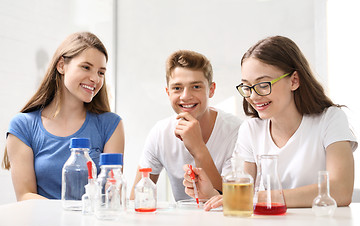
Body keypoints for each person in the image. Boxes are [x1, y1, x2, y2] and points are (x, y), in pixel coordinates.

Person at [183, 35, 358, 210]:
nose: (253, 96)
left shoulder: (330, 119)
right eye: (247, 86)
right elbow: (240, 198)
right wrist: (211, 194)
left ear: (294, 80)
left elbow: (340, 191)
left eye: (263, 84)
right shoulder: (251, 130)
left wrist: (256, 197)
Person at [2, 32, 125, 201]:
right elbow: (25, 196)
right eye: (86, 67)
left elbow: (112, 195)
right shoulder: (23, 126)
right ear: (61, 65)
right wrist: (68, 216)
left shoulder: (110, 125)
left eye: (101, 73)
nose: (95, 79)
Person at [130, 50, 242, 201]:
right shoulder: (160, 133)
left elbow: (234, 199)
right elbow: (136, 199)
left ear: (212, 89)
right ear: (168, 92)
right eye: (177, 88)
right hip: (180, 222)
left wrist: (198, 148)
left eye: (196, 87)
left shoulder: (236, 131)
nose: (185, 96)